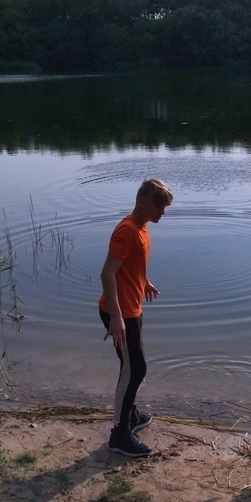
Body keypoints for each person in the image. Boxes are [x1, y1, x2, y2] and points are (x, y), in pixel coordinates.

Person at [99, 178, 174, 457]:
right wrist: (117, 318)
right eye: (158, 206)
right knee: (135, 370)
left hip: (132, 309)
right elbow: (107, 273)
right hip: (120, 313)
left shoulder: (142, 227)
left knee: (132, 367)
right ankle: (119, 435)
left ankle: (129, 416)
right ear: (141, 202)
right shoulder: (127, 230)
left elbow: (130, 266)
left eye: (164, 208)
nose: (162, 212)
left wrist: (144, 282)